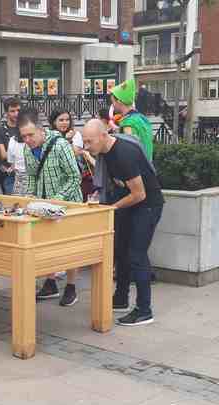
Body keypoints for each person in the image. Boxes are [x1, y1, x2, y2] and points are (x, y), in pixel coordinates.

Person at [82, 119, 164, 326]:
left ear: (103, 136)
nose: (86, 147)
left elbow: (139, 194)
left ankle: (144, 310)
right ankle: (120, 298)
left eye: (89, 142)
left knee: (137, 255)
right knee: (121, 251)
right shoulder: (106, 152)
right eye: (84, 142)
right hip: (130, 204)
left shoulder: (123, 154)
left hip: (147, 205)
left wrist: (112, 208)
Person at [19, 107, 83, 307]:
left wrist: (57, 199)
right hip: (42, 205)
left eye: (30, 135)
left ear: (40, 129)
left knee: (70, 247)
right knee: (45, 244)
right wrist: (27, 197)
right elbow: (30, 175)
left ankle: (71, 287)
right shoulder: (26, 149)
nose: (27, 140)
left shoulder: (60, 145)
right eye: (23, 136)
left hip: (68, 204)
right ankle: (51, 282)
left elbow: (75, 176)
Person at [50, 108, 96, 201]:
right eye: (61, 120)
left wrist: (68, 140)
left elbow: (73, 153)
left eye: (67, 120)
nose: (65, 123)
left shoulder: (75, 134)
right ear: (54, 122)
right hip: (55, 176)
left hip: (73, 175)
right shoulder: (50, 135)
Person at [110, 78, 154, 161]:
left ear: (119, 102)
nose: (112, 105)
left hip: (138, 172)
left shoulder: (128, 124)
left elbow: (129, 153)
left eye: (113, 102)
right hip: (148, 168)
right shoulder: (141, 118)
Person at [0, 98, 21, 194]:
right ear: (6, 113)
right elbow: (3, 155)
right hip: (11, 175)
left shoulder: (24, 127)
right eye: (12, 111)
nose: (16, 113)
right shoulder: (1, 130)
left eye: (18, 110)